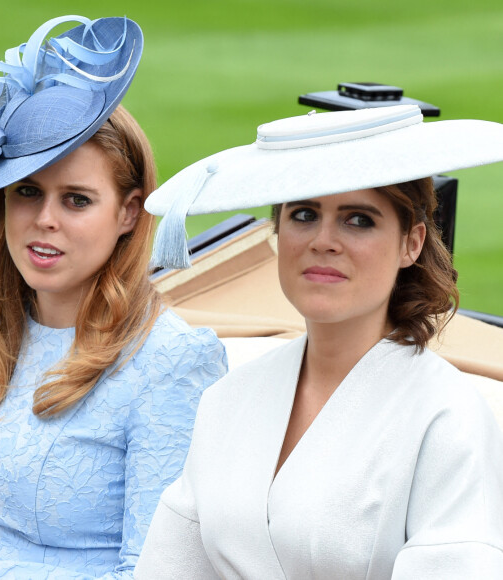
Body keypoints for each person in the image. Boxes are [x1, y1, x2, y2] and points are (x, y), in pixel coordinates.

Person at [135, 105, 503, 578]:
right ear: (277, 233)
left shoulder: (447, 416)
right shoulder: (228, 399)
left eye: (359, 220)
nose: (324, 240)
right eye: (305, 214)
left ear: (411, 243)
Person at [0, 15, 227, 579]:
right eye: (28, 193)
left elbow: (149, 569)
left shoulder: (172, 361)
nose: (44, 221)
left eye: (77, 200)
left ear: (129, 212)